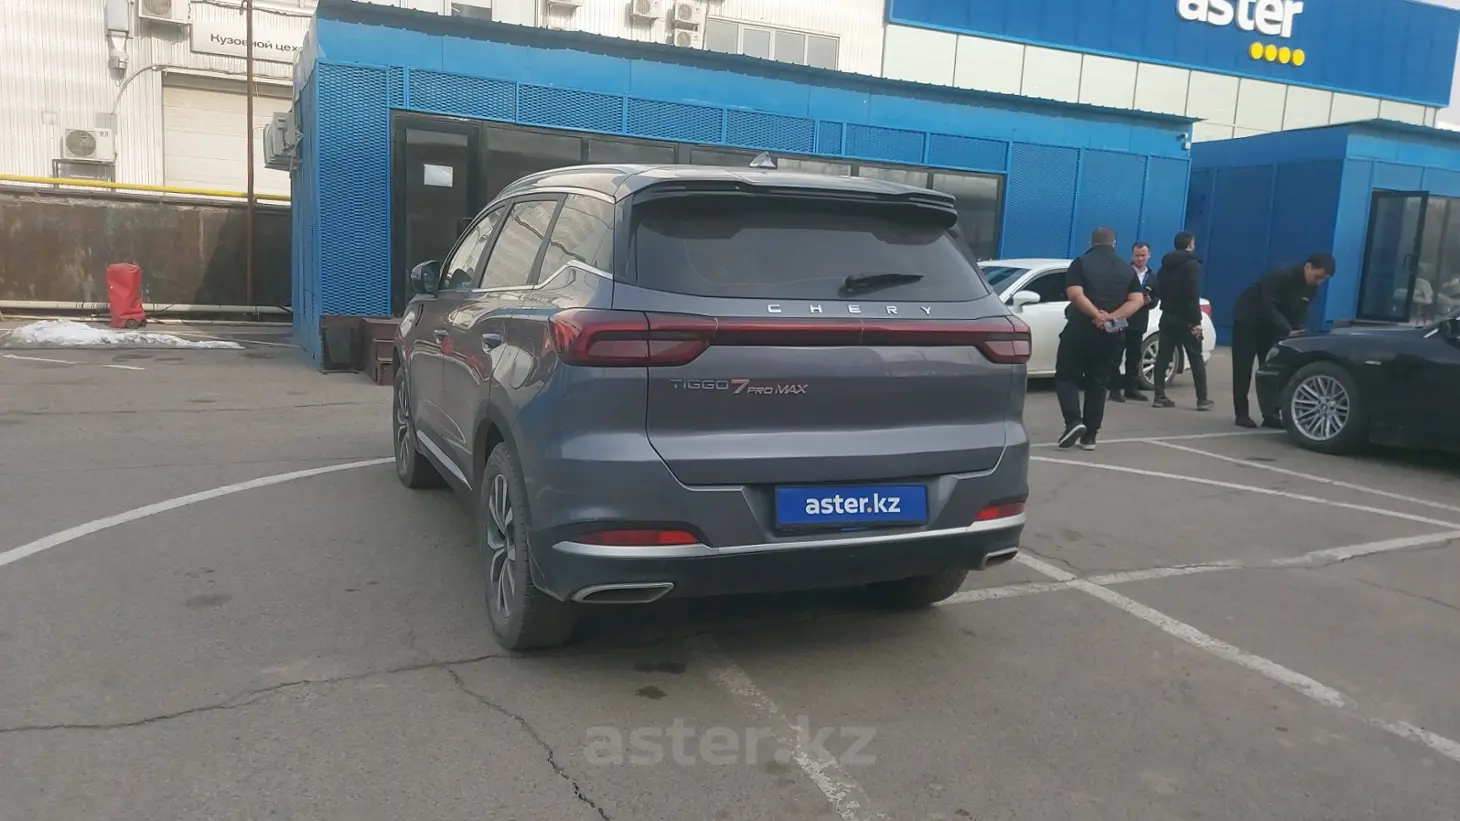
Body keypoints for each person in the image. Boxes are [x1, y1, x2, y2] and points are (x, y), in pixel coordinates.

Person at [1055, 227, 1149, 451]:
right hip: (1113, 334)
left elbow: (1075, 295)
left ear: (1091, 242)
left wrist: (1096, 315)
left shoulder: (1080, 263)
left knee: (1066, 377)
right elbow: (1137, 301)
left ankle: (1073, 422)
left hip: (1080, 330)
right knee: (1098, 383)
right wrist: (1112, 318)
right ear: (1114, 244)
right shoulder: (1127, 270)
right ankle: (1090, 437)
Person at [1230, 253, 1336, 428]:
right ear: (1308, 266)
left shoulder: (1311, 288)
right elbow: (1267, 305)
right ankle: (1241, 414)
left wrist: (1298, 330)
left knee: (1272, 370)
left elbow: (1302, 311)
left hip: (1273, 327)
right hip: (1248, 322)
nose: (1319, 282)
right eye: (1318, 276)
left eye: (1323, 279)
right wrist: (1287, 329)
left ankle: (1270, 415)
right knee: (1243, 368)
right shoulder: (1280, 276)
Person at [1150, 232, 1212, 411]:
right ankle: (1202, 399)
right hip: (1186, 319)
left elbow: (1159, 289)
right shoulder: (1191, 265)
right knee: (1196, 357)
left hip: (1167, 315)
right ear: (1190, 245)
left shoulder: (1165, 265)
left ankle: (1159, 396)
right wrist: (1196, 321)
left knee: (1163, 356)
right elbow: (1192, 294)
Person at [1108, 241, 1157, 404]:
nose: (1140, 259)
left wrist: (1150, 301)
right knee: (1115, 354)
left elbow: (1156, 298)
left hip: (1139, 321)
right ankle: (1114, 389)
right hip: (1121, 318)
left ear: (1149, 255)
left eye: (1143, 255)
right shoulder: (1124, 272)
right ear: (1132, 255)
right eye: (1137, 255)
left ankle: (1131, 388)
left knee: (1134, 356)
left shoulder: (1152, 277)